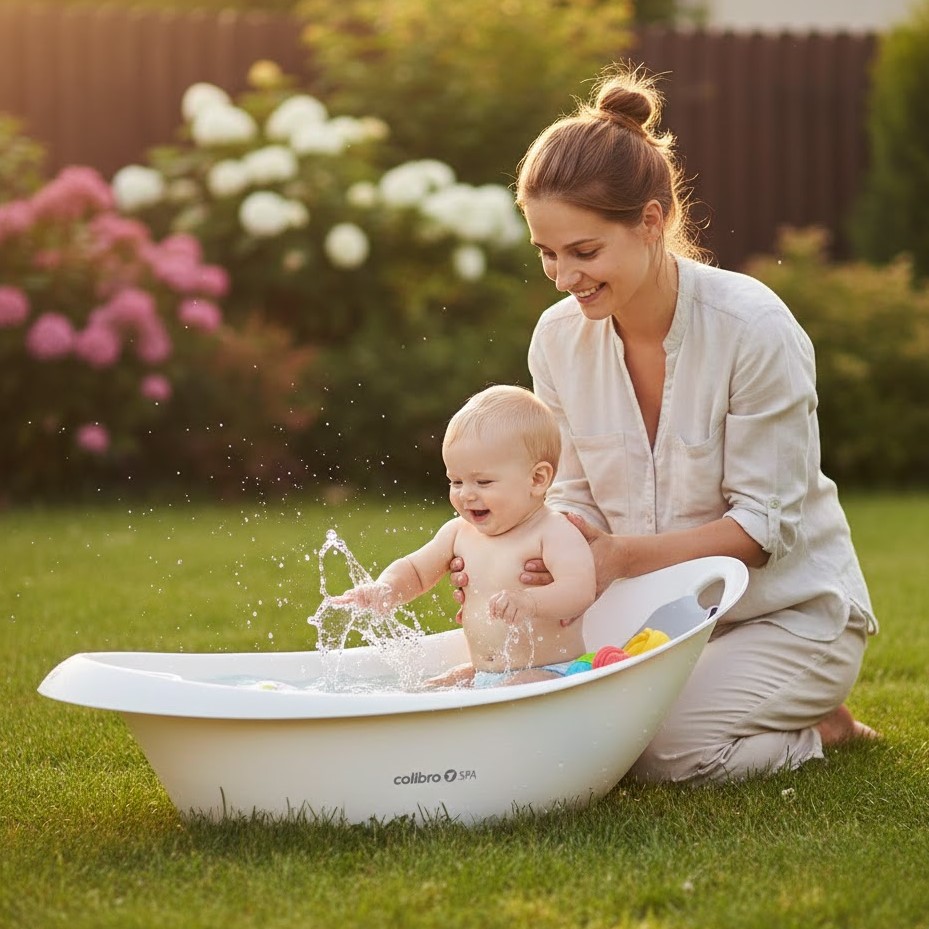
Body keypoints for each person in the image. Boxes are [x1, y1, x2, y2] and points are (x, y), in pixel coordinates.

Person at [451, 65, 879, 781]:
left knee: (658, 754)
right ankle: (748, 697)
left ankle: (815, 728)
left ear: (652, 221)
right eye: (546, 253)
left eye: (584, 252)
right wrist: (519, 554)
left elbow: (762, 529)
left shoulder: (753, 329)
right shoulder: (557, 339)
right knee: (543, 710)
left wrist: (616, 558)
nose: (562, 276)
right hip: (662, 615)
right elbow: (570, 497)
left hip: (787, 616)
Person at [332, 384, 597, 688]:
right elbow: (417, 570)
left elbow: (580, 589)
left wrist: (531, 601)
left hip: (553, 673)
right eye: (455, 481)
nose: (466, 494)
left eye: (482, 482)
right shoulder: (458, 532)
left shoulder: (553, 531)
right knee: (429, 689)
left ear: (537, 479)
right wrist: (385, 588)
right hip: (484, 673)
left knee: (510, 689)